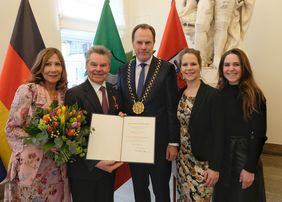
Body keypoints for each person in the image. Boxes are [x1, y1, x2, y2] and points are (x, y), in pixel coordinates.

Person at [117, 23, 180, 202]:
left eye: (147, 42)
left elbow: (171, 107)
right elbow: (121, 104)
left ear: (154, 43)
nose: (143, 47)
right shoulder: (123, 70)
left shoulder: (166, 69)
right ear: (133, 43)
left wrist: (173, 142)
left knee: (161, 189)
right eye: (139, 42)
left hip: (159, 143)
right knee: (139, 188)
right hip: (134, 143)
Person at [4, 48, 71, 201]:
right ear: (40, 67)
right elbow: (11, 128)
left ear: (62, 68)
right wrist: (44, 141)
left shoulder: (65, 94)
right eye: (48, 64)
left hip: (57, 170)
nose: (53, 69)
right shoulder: (28, 90)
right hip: (30, 168)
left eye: (57, 64)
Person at [64, 45, 123, 202]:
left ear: (109, 67)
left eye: (103, 65)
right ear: (86, 65)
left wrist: (122, 119)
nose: (98, 69)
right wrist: (96, 162)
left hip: (108, 168)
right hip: (84, 170)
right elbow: (72, 137)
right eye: (94, 64)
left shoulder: (114, 92)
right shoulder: (73, 94)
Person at [213, 48, 267, 202]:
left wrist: (249, 168)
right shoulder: (217, 94)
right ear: (222, 68)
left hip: (245, 155)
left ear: (244, 67)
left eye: (236, 64)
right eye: (227, 64)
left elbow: (259, 135)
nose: (231, 69)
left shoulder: (255, 95)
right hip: (223, 156)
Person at [176, 48, 224, 201]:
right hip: (182, 161)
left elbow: (219, 134)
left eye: (193, 64)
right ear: (180, 68)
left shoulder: (213, 95)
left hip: (202, 164)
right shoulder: (180, 94)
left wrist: (215, 167)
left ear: (200, 66)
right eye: (185, 65)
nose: (189, 68)